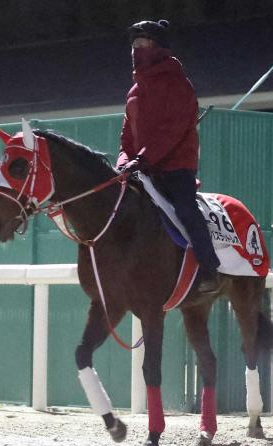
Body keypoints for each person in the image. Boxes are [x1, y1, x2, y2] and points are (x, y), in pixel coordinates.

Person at [116, 19, 220, 291]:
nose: (136, 50)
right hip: (141, 167)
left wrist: (144, 158)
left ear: (159, 47)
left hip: (176, 167)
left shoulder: (178, 84)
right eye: (133, 45)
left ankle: (209, 269)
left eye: (142, 44)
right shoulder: (134, 92)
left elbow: (171, 130)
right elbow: (127, 134)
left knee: (185, 209)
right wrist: (125, 161)